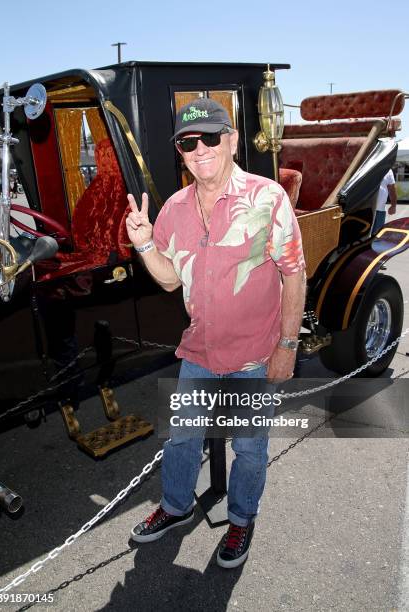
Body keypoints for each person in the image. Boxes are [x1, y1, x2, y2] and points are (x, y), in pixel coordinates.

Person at [125, 98, 306, 568]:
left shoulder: (267, 197)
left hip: (253, 356)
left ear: (231, 140)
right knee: (182, 438)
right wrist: (144, 241)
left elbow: (294, 273)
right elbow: (168, 279)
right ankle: (175, 506)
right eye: (188, 142)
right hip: (199, 352)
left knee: (248, 448)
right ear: (181, 152)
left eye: (210, 137)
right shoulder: (174, 208)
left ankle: (241, 520)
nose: (199, 148)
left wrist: (287, 345)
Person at [372, 168, 397, 235]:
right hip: (365, 208)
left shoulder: (388, 170)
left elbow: (392, 189)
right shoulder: (366, 165)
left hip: (380, 210)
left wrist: (393, 206)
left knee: (378, 235)